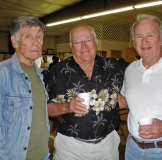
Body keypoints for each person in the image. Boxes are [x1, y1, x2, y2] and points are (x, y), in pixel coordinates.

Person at [46, 24, 128, 160]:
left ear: (96, 42)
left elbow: (145, 70)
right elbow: (44, 109)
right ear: (71, 45)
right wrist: (67, 107)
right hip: (70, 147)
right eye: (78, 42)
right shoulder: (57, 72)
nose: (84, 46)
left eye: (88, 40)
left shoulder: (115, 67)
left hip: (107, 146)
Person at [119, 14, 162, 160]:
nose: (144, 41)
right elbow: (126, 101)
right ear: (134, 41)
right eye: (139, 36)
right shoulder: (131, 69)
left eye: (150, 35)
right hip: (132, 149)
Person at [0, 16, 50, 160]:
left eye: (39, 37)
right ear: (14, 41)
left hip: (43, 155)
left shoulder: (39, 74)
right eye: (28, 37)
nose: (36, 42)